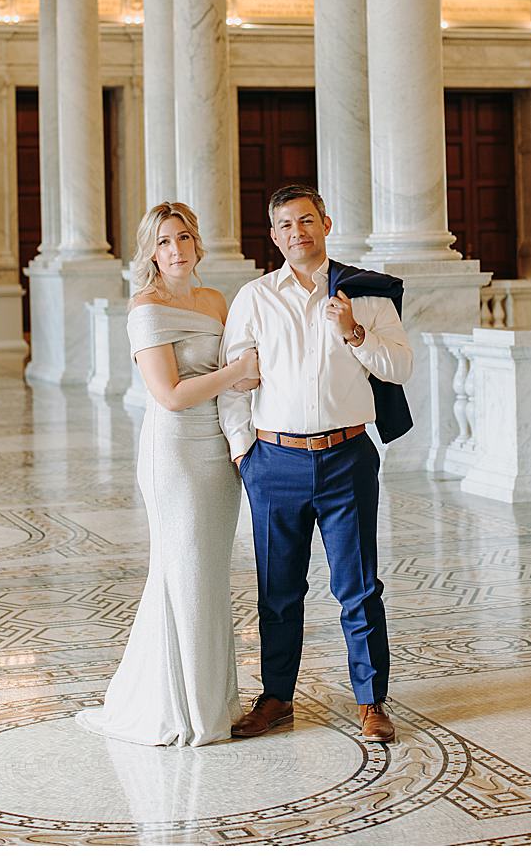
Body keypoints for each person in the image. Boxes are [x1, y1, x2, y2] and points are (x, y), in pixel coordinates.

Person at [219, 184, 413, 744]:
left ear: (326, 223)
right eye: (284, 225)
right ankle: (277, 696)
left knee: (357, 586)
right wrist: (242, 450)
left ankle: (371, 700)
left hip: (347, 457)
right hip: (273, 460)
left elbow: (399, 367)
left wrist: (352, 330)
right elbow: (234, 382)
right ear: (274, 234)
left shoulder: (366, 294)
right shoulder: (254, 297)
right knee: (277, 589)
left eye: (305, 220)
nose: (295, 232)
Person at [76, 203, 261, 747]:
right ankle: (185, 712)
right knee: (183, 572)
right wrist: (236, 372)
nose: (175, 249)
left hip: (217, 453)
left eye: (182, 237)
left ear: (197, 244)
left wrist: (244, 401)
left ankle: (215, 701)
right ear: (150, 253)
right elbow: (171, 395)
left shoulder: (214, 301)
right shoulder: (145, 308)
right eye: (162, 242)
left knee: (209, 574)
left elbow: (234, 383)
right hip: (175, 453)